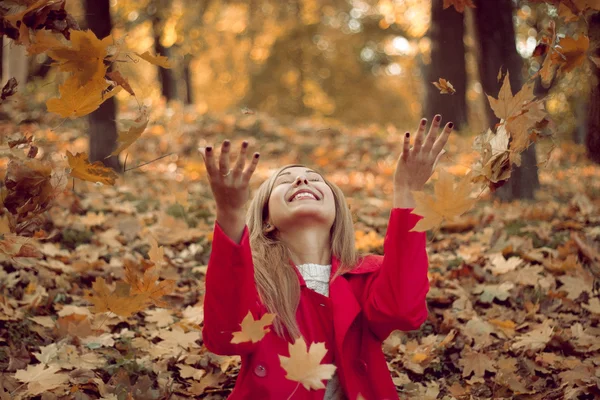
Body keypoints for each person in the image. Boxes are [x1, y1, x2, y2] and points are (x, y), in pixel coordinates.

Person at [200, 115, 453, 399]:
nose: (301, 178)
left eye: (315, 179)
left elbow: (404, 310)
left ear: (337, 212)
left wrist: (407, 191)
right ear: (267, 219)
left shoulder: (365, 276)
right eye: (285, 181)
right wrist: (230, 213)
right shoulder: (256, 281)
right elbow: (225, 336)